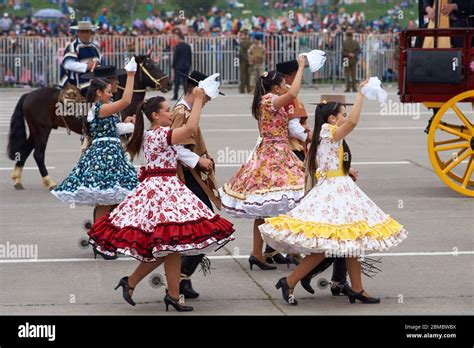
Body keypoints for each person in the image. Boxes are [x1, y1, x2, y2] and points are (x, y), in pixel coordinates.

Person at [259, 79, 408, 305]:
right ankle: (289, 281)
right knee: (325, 247)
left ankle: (356, 288)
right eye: (342, 113)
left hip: (339, 189)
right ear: (331, 119)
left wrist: (346, 172)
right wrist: (360, 95)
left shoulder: (329, 134)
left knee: (351, 241)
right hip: (333, 194)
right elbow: (354, 122)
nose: (345, 117)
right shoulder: (328, 131)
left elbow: (327, 165)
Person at [87, 91, 235, 312]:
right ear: (155, 115)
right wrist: (198, 101)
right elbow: (191, 129)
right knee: (168, 245)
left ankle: (152, 289)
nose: (170, 113)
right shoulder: (160, 134)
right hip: (163, 191)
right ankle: (163, 292)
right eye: (167, 110)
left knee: (168, 246)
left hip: (162, 188)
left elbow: (180, 150)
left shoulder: (153, 134)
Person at [219, 56, 307, 271]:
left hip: (271, 152)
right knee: (290, 200)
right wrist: (302, 66)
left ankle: (260, 254)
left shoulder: (265, 100)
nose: (286, 87)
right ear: (276, 87)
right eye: (283, 84)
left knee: (267, 208)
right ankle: (289, 251)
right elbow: (293, 94)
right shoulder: (269, 100)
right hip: (275, 154)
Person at [52, 59, 139, 259]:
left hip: (111, 154)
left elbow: (115, 129)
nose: (111, 94)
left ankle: (105, 240)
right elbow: (126, 102)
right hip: (103, 157)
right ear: (99, 92)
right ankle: (100, 242)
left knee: (110, 202)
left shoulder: (103, 108)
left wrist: (133, 125)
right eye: (108, 91)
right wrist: (132, 76)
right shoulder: (99, 108)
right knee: (104, 203)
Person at [171, 71, 224, 299]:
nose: (209, 100)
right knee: (206, 227)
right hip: (186, 177)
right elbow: (175, 145)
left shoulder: (189, 111)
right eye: (208, 96)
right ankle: (180, 275)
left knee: (199, 228)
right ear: (196, 90)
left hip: (193, 175)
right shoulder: (181, 112)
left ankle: (183, 277)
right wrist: (198, 160)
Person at [59, 21, 103, 95]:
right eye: (82, 32)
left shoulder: (95, 47)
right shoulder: (73, 46)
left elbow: (100, 62)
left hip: (94, 80)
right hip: (76, 82)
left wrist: (96, 65)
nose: (85, 34)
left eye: (87, 32)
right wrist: (86, 66)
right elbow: (68, 64)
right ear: (78, 33)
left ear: (90, 33)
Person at [172, 31, 192, 100]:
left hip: (178, 67)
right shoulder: (188, 46)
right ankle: (186, 96)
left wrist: (173, 66)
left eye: (176, 38)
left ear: (179, 38)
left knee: (177, 82)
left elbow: (175, 58)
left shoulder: (178, 47)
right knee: (185, 82)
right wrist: (189, 65)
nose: (175, 39)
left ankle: (175, 96)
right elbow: (190, 57)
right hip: (186, 67)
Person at [238, 29, 252, 94]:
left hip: (243, 61)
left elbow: (241, 53)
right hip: (250, 60)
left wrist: (246, 58)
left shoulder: (241, 43)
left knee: (242, 76)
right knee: (248, 75)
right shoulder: (251, 42)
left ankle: (242, 89)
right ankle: (249, 89)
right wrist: (249, 59)